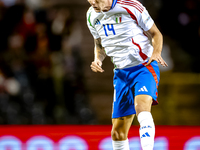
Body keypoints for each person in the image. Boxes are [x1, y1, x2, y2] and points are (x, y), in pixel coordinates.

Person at [86, 0, 168, 149]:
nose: (92, 2)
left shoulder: (131, 6)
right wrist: (98, 59)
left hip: (143, 67)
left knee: (141, 107)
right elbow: (99, 43)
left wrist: (156, 53)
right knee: (117, 133)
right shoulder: (91, 15)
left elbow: (156, 33)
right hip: (121, 74)